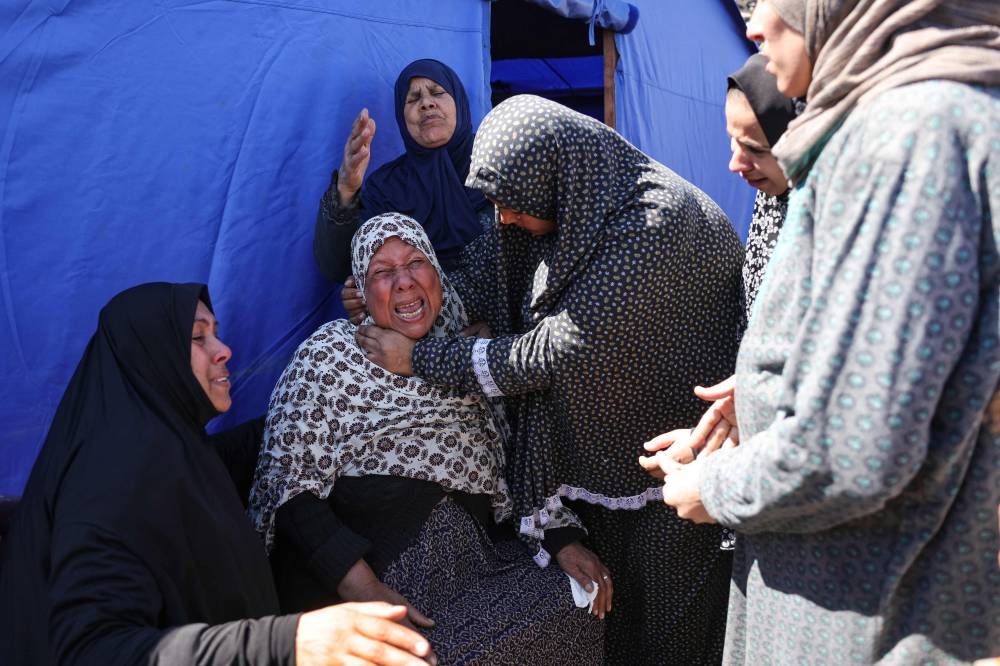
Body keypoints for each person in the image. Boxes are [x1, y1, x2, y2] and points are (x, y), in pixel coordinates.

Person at [658, 0, 1000, 663]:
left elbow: (853, 447)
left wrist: (713, 487)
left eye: (768, 0)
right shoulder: (931, 119)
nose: (752, 25)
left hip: (868, 609)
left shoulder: (910, 133)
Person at [357, 95, 746, 664]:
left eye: (510, 203)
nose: (504, 217)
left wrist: (420, 358)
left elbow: (553, 353)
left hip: (677, 464)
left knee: (673, 634)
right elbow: (480, 277)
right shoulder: (560, 206)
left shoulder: (652, 224)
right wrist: (405, 292)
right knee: (615, 626)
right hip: (598, 468)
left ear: (551, 177)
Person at [0, 282, 435, 666]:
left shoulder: (177, 453)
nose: (223, 349)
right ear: (150, 358)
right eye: (197, 336)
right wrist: (290, 643)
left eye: (216, 332)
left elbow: (274, 436)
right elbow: (94, 651)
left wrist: (351, 391)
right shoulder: (111, 483)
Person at [250, 213, 604, 665]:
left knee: (579, 598)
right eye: (382, 272)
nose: (403, 282)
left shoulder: (460, 357)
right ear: (361, 290)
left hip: (473, 568)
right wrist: (367, 591)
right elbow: (289, 490)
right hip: (383, 579)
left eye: (416, 262)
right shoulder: (329, 358)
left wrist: (559, 538)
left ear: (438, 276)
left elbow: (512, 464)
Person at [314, 59, 492, 286]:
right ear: (402, 116)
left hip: (502, 312)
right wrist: (346, 190)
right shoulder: (387, 187)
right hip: (411, 314)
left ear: (459, 103)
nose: (427, 103)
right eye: (413, 98)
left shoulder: (496, 167)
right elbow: (339, 268)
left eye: (437, 93)